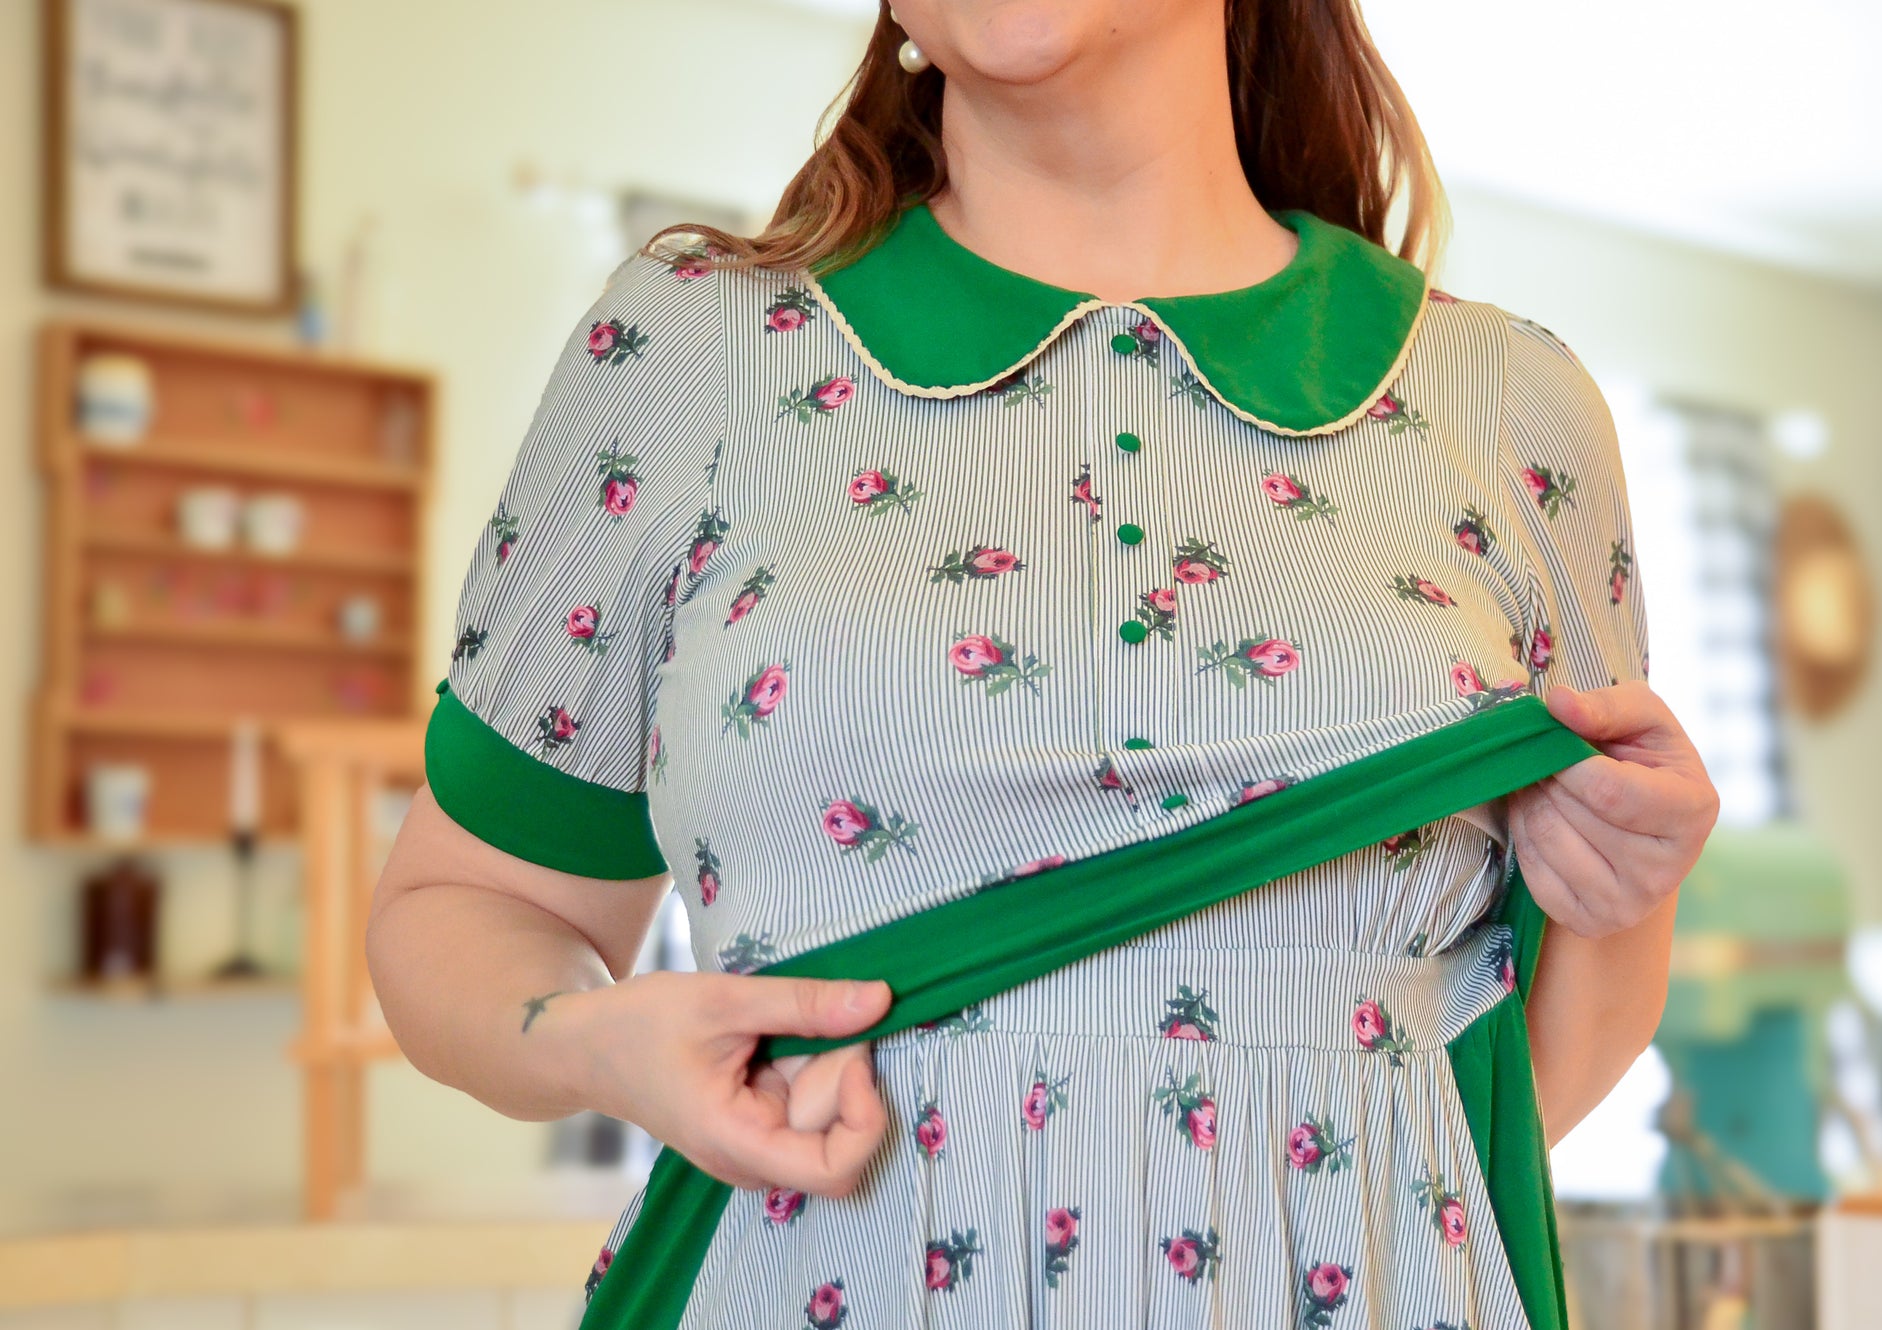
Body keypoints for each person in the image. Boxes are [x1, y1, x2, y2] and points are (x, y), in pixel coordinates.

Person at [366, 3, 1719, 1327]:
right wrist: (598, 1043)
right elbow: (456, 902)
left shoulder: (1505, 403)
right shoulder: (689, 350)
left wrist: (1622, 881)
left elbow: (1523, 1058)